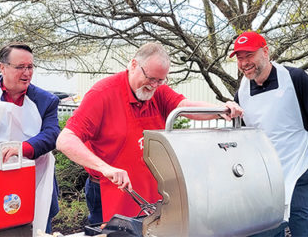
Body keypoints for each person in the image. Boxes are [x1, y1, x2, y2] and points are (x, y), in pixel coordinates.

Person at [55, 42, 243, 225]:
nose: (154, 86)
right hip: (109, 191)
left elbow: (185, 107)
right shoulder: (102, 94)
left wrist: (221, 109)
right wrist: (106, 168)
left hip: (150, 190)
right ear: (134, 65)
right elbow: (65, 140)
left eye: (160, 80)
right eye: (151, 78)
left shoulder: (158, 92)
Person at [231, 32, 308, 237]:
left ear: (266, 52)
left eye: (249, 55)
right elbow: (242, 137)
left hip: (299, 173)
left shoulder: (295, 78)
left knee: (307, 233)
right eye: (240, 58)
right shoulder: (241, 93)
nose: (244, 63)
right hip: (263, 179)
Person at [0, 43, 60, 233]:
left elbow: (52, 135)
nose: (27, 73)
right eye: (20, 67)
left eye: (30, 67)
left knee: (38, 228)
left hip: (34, 176)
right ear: (2, 67)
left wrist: (23, 148)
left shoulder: (46, 100)